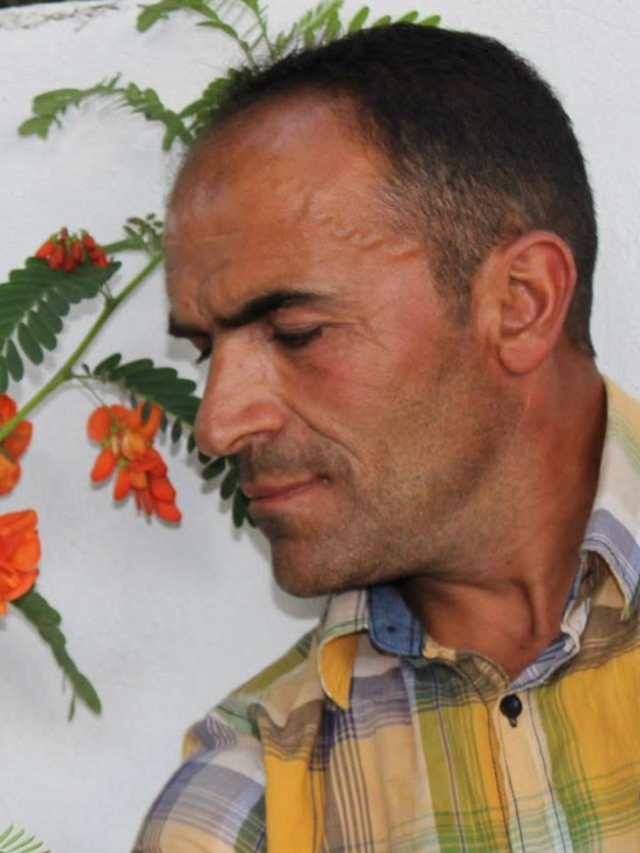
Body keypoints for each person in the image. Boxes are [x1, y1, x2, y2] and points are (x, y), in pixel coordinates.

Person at [132, 22, 640, 853]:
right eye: (204, 351)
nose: (218, 423)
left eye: (296, 332)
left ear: (521, 302)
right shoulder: (243, 807)